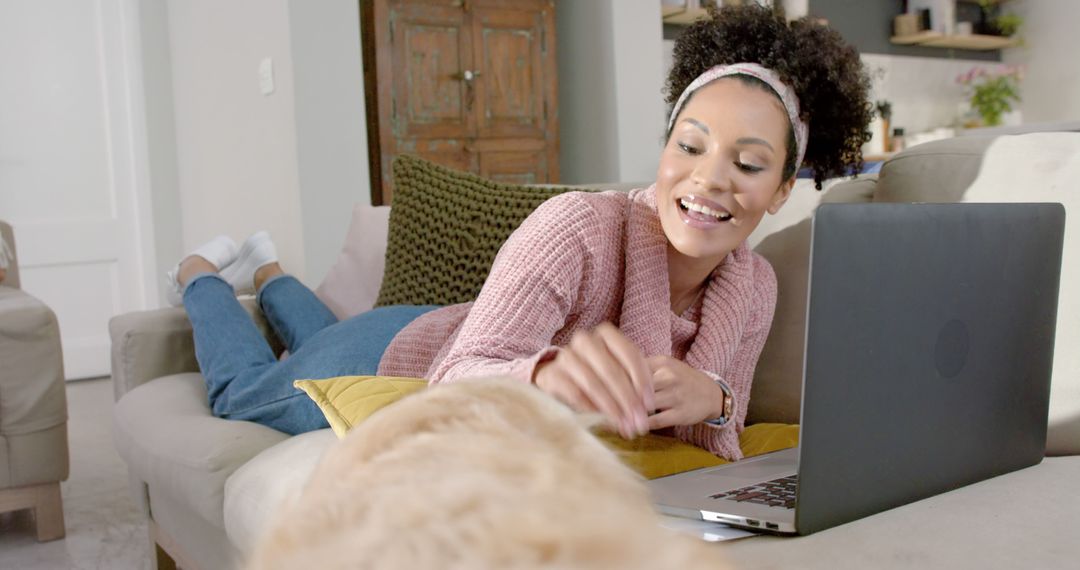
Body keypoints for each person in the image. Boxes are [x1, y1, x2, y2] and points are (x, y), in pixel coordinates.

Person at [170, 4, 871, 459]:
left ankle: (270, 276)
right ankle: (201, 273)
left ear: (782, 188)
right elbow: (457, 376)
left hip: (434, 327)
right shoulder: (579, 230)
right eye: (689, 146)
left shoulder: (754, 286)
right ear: (664, 152)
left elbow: (732, 411)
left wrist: (712, 397)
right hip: (394, 352)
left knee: (305, 330)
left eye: (748, 163)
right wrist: (550, 374)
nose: (710, 179)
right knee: (244, 394)